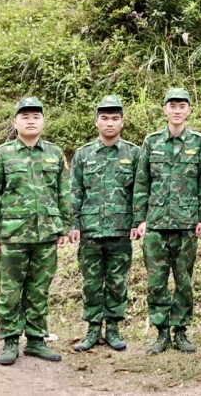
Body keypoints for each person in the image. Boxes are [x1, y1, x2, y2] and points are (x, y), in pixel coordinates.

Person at [0, 97, 71, 366]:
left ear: (43, 121)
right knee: (10, 291)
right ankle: (9, 341)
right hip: (13, 235)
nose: (31, 121)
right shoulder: (1, 155)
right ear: (15, 122)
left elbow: (63, 193)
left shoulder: (54, 154)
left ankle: (36, 341)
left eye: (36, 116)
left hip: (45, 236)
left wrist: (64, 227)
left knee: (39, 290)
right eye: (25, 116)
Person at [133, 87, 201, 354]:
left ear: (189, 110)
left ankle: (181, 331)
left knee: (184, 281)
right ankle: (162, 332)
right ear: (164, 109)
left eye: (182, 106)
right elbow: (142, 182)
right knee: (156, 281)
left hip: (186, 224)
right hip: (155, 224)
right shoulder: (151, 141)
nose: (177, 111)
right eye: (172, 106)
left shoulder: (198, 142)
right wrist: (140, 219)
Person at [70, 94, 141, 353]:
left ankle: (112, 328)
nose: (109, 123)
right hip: (90, 230)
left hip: (121, 229)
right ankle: (92, 329)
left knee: (117, 281)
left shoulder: (134, 153)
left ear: (122, 122)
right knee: (91, 282)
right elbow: (75, 191)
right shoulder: (83, 154)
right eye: (104, 118)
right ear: (96, 122)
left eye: (114, 118)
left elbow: (139, 191)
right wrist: (73, 224)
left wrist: (137, 221)